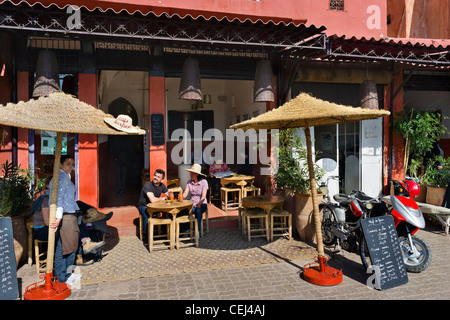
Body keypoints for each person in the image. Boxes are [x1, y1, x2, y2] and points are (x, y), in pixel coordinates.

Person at [49, 155, 104, 285]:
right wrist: (58, 218)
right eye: (68, 164)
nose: (71, 167)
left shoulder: (65, 177)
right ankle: (62, 276)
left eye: (72, 164)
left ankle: (66, 274)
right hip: (65, 216)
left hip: (70, 215)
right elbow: (58, 198)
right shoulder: (61, 178)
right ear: (60, 165)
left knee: (69, 246)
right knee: (64, 248)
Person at [138, 169, 171, 241]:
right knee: (147, 215)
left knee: (170, 212)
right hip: (144, 206)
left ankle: (166, 234)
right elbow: (152, 200)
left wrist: (171, 195)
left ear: (162, 180)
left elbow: (168, 194)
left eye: (158, 177)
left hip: (155, 207)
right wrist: (162, 199)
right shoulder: (148, 185)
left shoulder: (162, 186)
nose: (156, 177)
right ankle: (147, 239)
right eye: (155, 175)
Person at [182, 163, 208, 234]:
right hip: (192, 204)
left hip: (202, 204)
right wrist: (181, 196)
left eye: (192, 173)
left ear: (197, 174)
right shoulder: (189, 182)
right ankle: (185, 229)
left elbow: (203, 196)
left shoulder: (204, 182)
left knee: (198, 210)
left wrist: (199, 203)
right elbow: (185, 193)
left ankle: (197, 231)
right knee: (182, 211)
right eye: (190, 173)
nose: (190, 175)